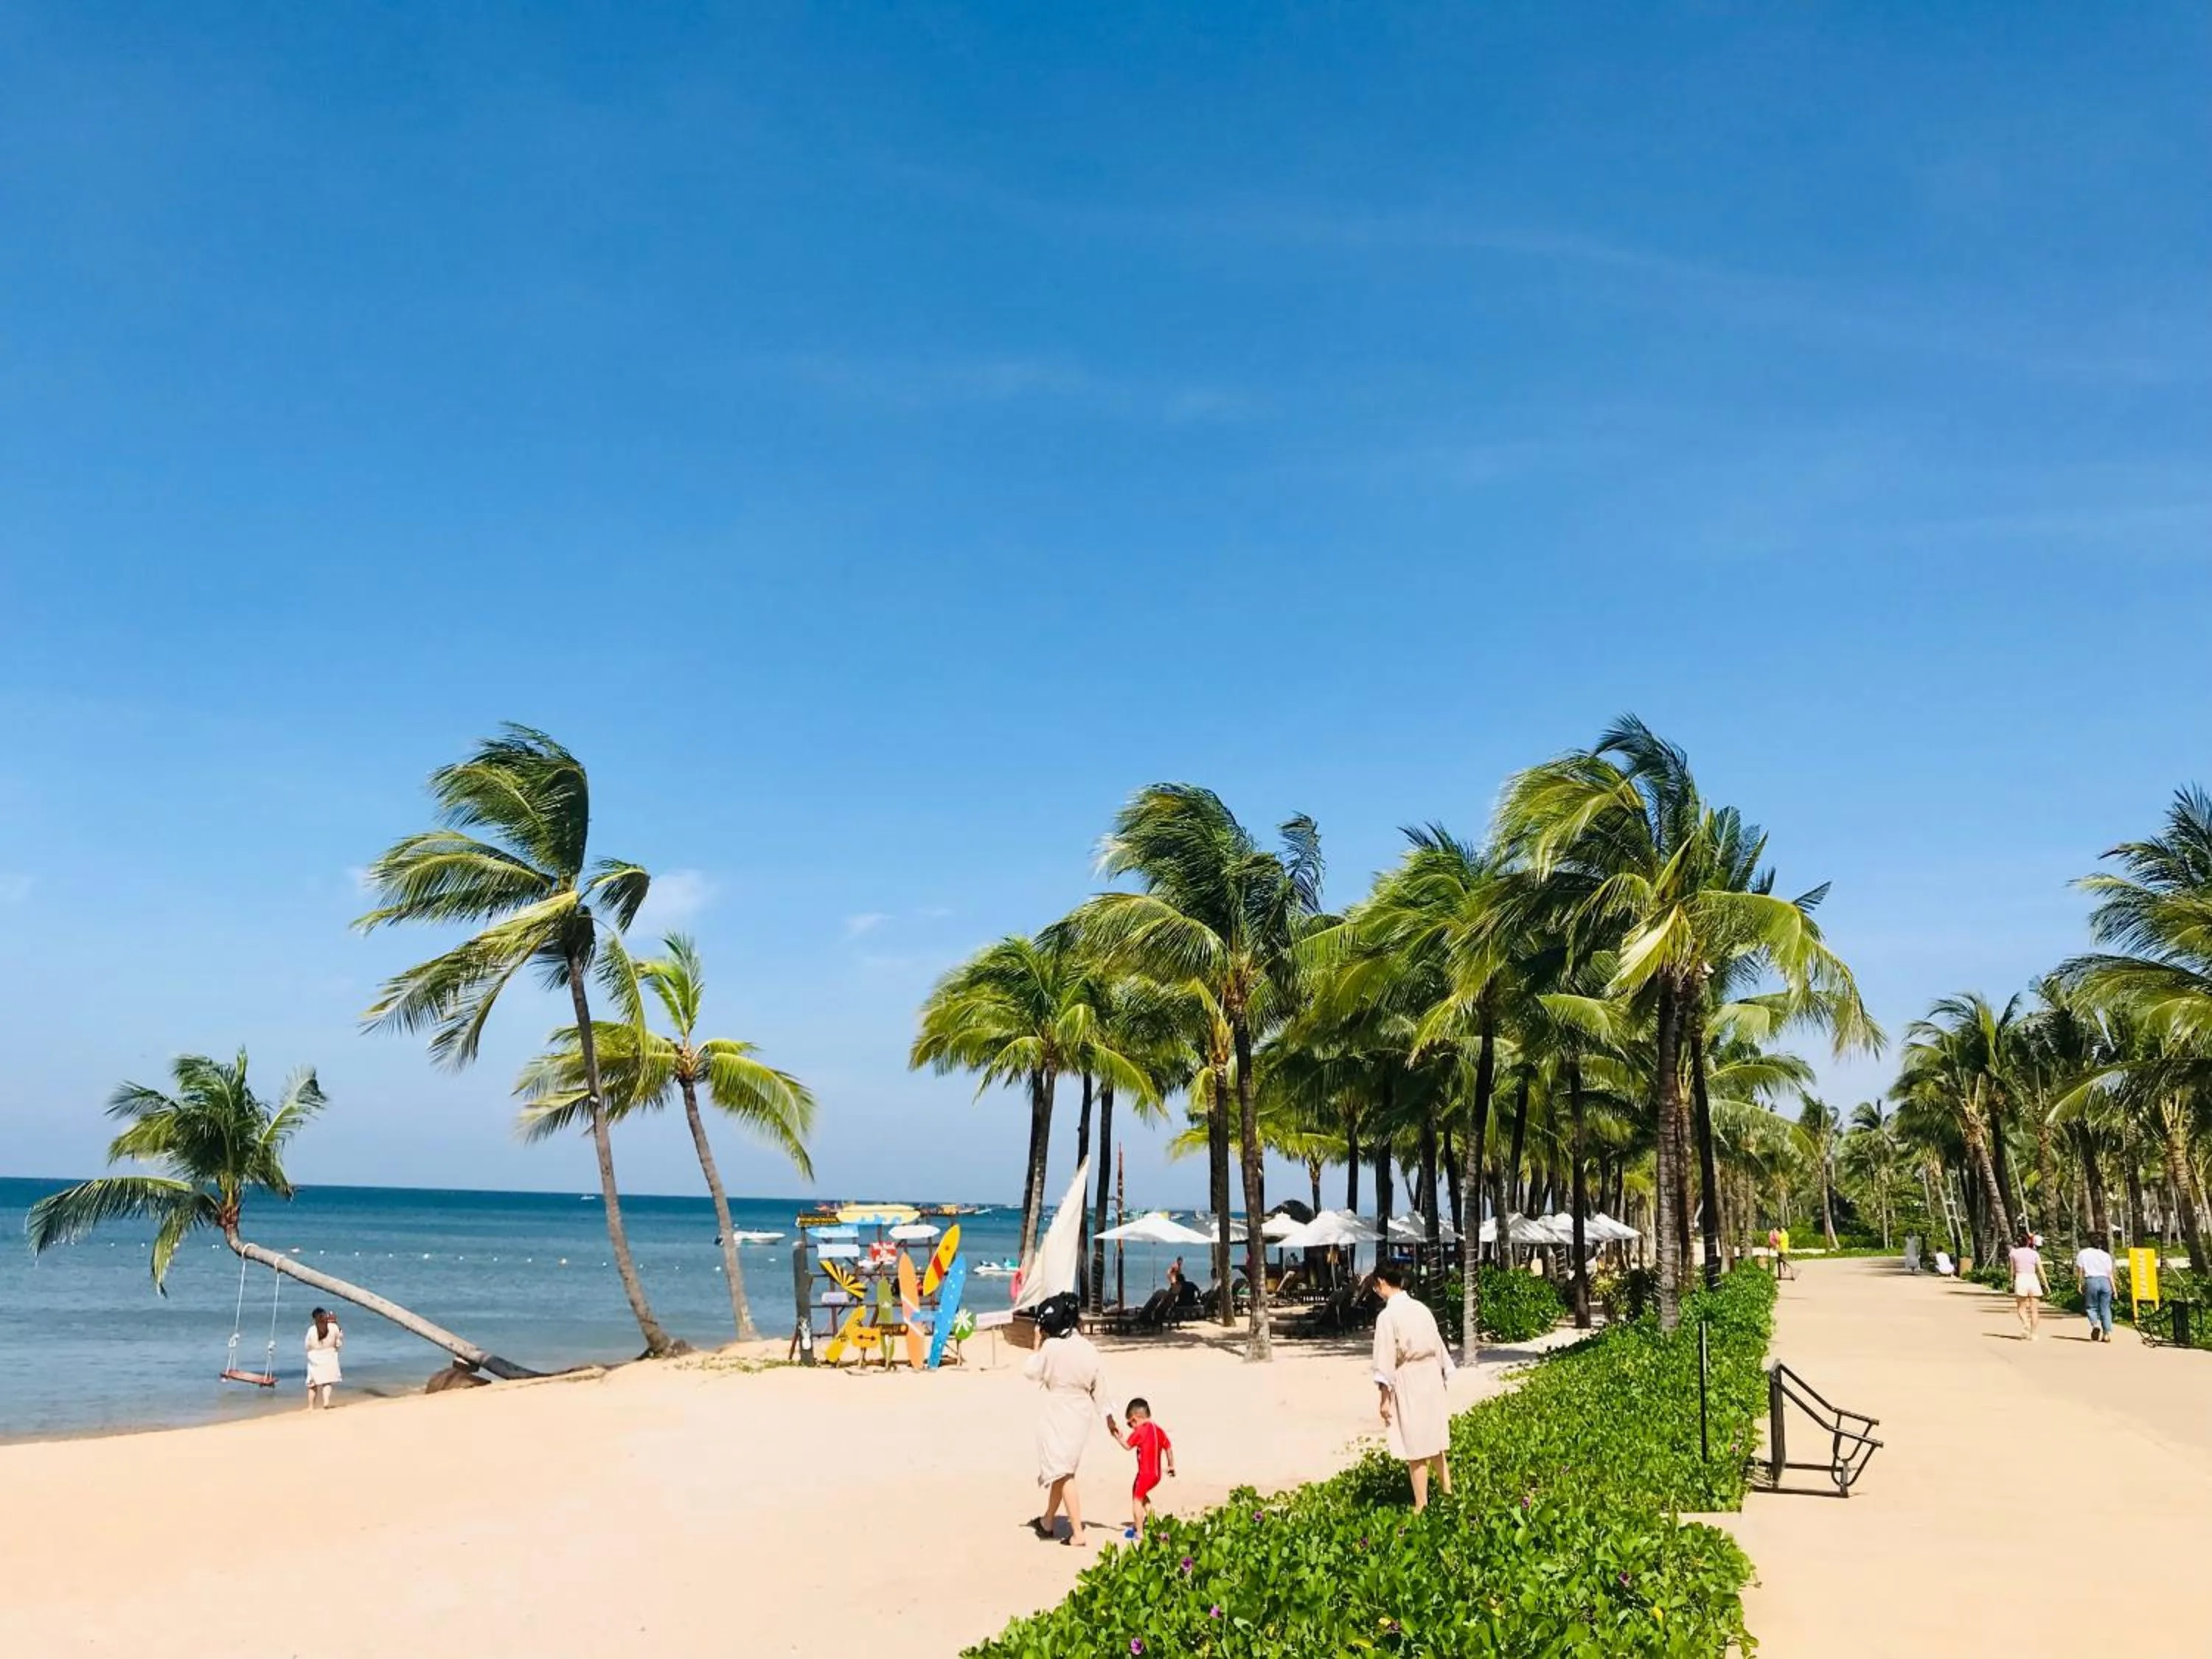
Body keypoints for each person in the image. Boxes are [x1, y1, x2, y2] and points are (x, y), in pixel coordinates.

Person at [1370, 1262, 1455, 1511]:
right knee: (1435, 1437)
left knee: (1414, 1442)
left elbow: (1384, 1357)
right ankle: (1447, 1491)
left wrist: (1384, 1398)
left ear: (1382, 1283)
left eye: (1376, 1286)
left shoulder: (1388, 1316)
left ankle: (1421, 1504)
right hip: (1431, 1373)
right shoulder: (1421, 1308)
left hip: (1409, 1376)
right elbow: (1438, 1344)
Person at [1023, 1293, 1103, 1546]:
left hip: (1059, 1410)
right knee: (1063, 1469)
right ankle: (1048, 1521)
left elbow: (1031, 1371)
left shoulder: (1052, 1347)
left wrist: (1036, 1342)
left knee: (1063, 1470)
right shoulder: (1089, 1349)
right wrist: (1109, 1418)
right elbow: (1100, 1386)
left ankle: (1078, 1533)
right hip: (1082, 1411)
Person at [1106, 1396, 1175, 1540]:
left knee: (1137, 1501)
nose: (1131, 1428)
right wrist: (1171, 1465)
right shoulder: (1159, 1430)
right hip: (1156, 1475)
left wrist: (1117, 1437)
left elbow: (1127, 1446)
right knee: (1141, 1496)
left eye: (1130, 1424)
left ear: (1135, 1419)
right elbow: (1168, 1447)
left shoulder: (1141, 1431)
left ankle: (1140, 1532)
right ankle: (1153, 1524)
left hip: (1146, 1474)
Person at [2007, 1230, 2048, 1340]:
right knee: (2035, 1310)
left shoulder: (2013, 1253)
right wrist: (2046, 1284)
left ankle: (2026, 1323)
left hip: (2021, 1279)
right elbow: (2040, 1270)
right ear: (2028, 1243)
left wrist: (2011, 1281)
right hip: (2033, 1278)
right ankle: (2034, 1334)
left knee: (2021, 1308)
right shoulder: (2034, 1253)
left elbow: (2012, 1269)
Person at [2075, 1239, 2117, 1343]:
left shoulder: (2083, 1254)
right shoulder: (2106, 1255)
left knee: (2091, 1306)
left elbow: (2080, 1270)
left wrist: (2080, 1284)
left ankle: (2095, 1325)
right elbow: (2110, 1273)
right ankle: (2106, 1334)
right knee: (2106, 1309)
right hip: (2105, 1281)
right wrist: (2114, 1289)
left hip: (2091, 1280)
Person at [305, 1307, 344, 1409]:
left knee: (312, 1385)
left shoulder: (312, 1330)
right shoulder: (334, 1327)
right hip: (330, 1356)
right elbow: (339, 1343)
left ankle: (311, 1407)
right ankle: (326, 1402)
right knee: (327, 1382)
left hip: (315, 1358)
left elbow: (307, 1346)